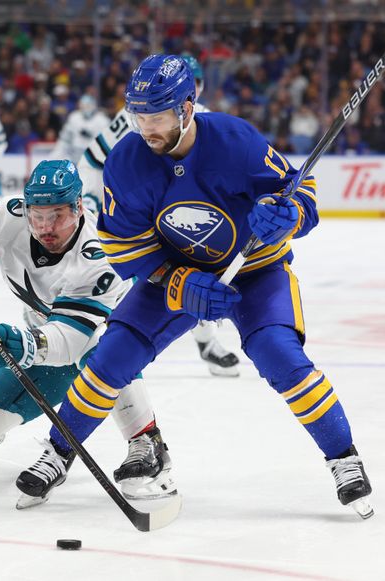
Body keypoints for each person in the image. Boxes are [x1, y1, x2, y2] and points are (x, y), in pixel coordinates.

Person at [16, 54, 374, 519]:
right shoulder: (126, 162)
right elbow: (124, 248)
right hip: (177, 274)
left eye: (158, 116)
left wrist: (287, 215)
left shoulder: (235, 140)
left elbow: (299, 193)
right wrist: (180, 282)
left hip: (256, 270)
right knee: (111, 357)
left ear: (188, 106)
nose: (147, 128)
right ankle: (57, 453)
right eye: (139, 116)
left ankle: (344, 459)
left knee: (280, 355)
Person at [0, 159, 176, 507]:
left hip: (93, 345)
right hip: (46, 343)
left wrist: (18, 343)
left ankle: (145, 441)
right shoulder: (10, 218)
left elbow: (71, 341)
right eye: (37, 216)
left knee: (104, 343)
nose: (45, 227)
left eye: (57, 215)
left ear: (78, 207)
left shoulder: (98, 251)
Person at [76, 54, 241, 377]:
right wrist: (90, 201)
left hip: (180, 219)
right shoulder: (136, 114)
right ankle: (74, 328)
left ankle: (206, 343)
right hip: (138, 213)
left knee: (197, 280)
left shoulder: (207, 122)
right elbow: (94, 159)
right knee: (119, 276)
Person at [50, 93, 110, 164]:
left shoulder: (103, 120)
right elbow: (64, 139)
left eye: (88, 105)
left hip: (95, 158)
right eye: (83, 105)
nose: (86, 108)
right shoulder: (74, 117)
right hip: (75, 157)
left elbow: (107, 142)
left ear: (94, 105)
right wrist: (55, 156)